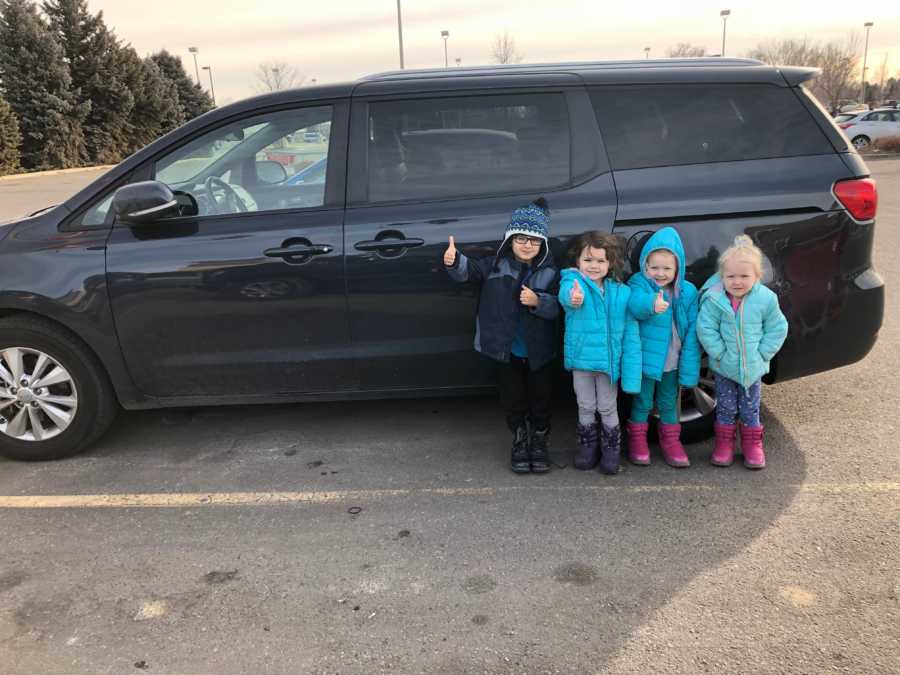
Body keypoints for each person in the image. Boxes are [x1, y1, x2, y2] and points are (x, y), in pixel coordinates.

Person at [443, 198, 560, 473]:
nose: (527, 244)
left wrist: (538, 301)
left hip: (539, 351)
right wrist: (454, 261)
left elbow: (559, 306)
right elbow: (467, 273)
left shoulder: (551, 272)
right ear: (510, 239)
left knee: (541, 398)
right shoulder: (494, 265)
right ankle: (519, 439)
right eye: (520, 238)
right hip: (505, 351)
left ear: (543, 243)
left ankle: (540, 440)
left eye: (534, 239)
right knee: (513, 398)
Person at [697, 235, 788, 469]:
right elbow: (705, 328)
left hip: (753, 368)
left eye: (744, 276)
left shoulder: (765, 299)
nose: (737, 282)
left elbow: (777, 327)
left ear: (757, 277)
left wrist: (763, 354)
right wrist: (718, 353)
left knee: (750, 408)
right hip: (725, 367)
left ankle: (752, 446)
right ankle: (724, 445)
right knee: (726, 407)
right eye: (731, 276)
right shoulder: (715, 300)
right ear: (722, 277)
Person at [558, 232, 641, 474]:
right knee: (585, 406)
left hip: (608, 364)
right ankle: (587, 448)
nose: (593, 266)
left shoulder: (621, 292)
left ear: (610, 263)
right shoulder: (572, 282)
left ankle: (611, 450)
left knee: (607, 407)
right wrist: (573, 298)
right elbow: (566, 297)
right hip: (581, 363)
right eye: (588, 260)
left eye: (600, 261)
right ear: (578, 262)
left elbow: (630, 329)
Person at [626, 227, 701, 467]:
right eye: (654, 267)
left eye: (667, 268)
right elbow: (634, 305)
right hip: (647, 361)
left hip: (672, 361)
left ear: (677, 268)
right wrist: (651, 305)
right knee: (643, 401)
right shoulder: (639, 284)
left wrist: (689, 368)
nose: (660, 273)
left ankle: (671, 441)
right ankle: (637, 440)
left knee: (669, 402)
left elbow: (692, 333)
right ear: (645, 266)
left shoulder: (686, 292)